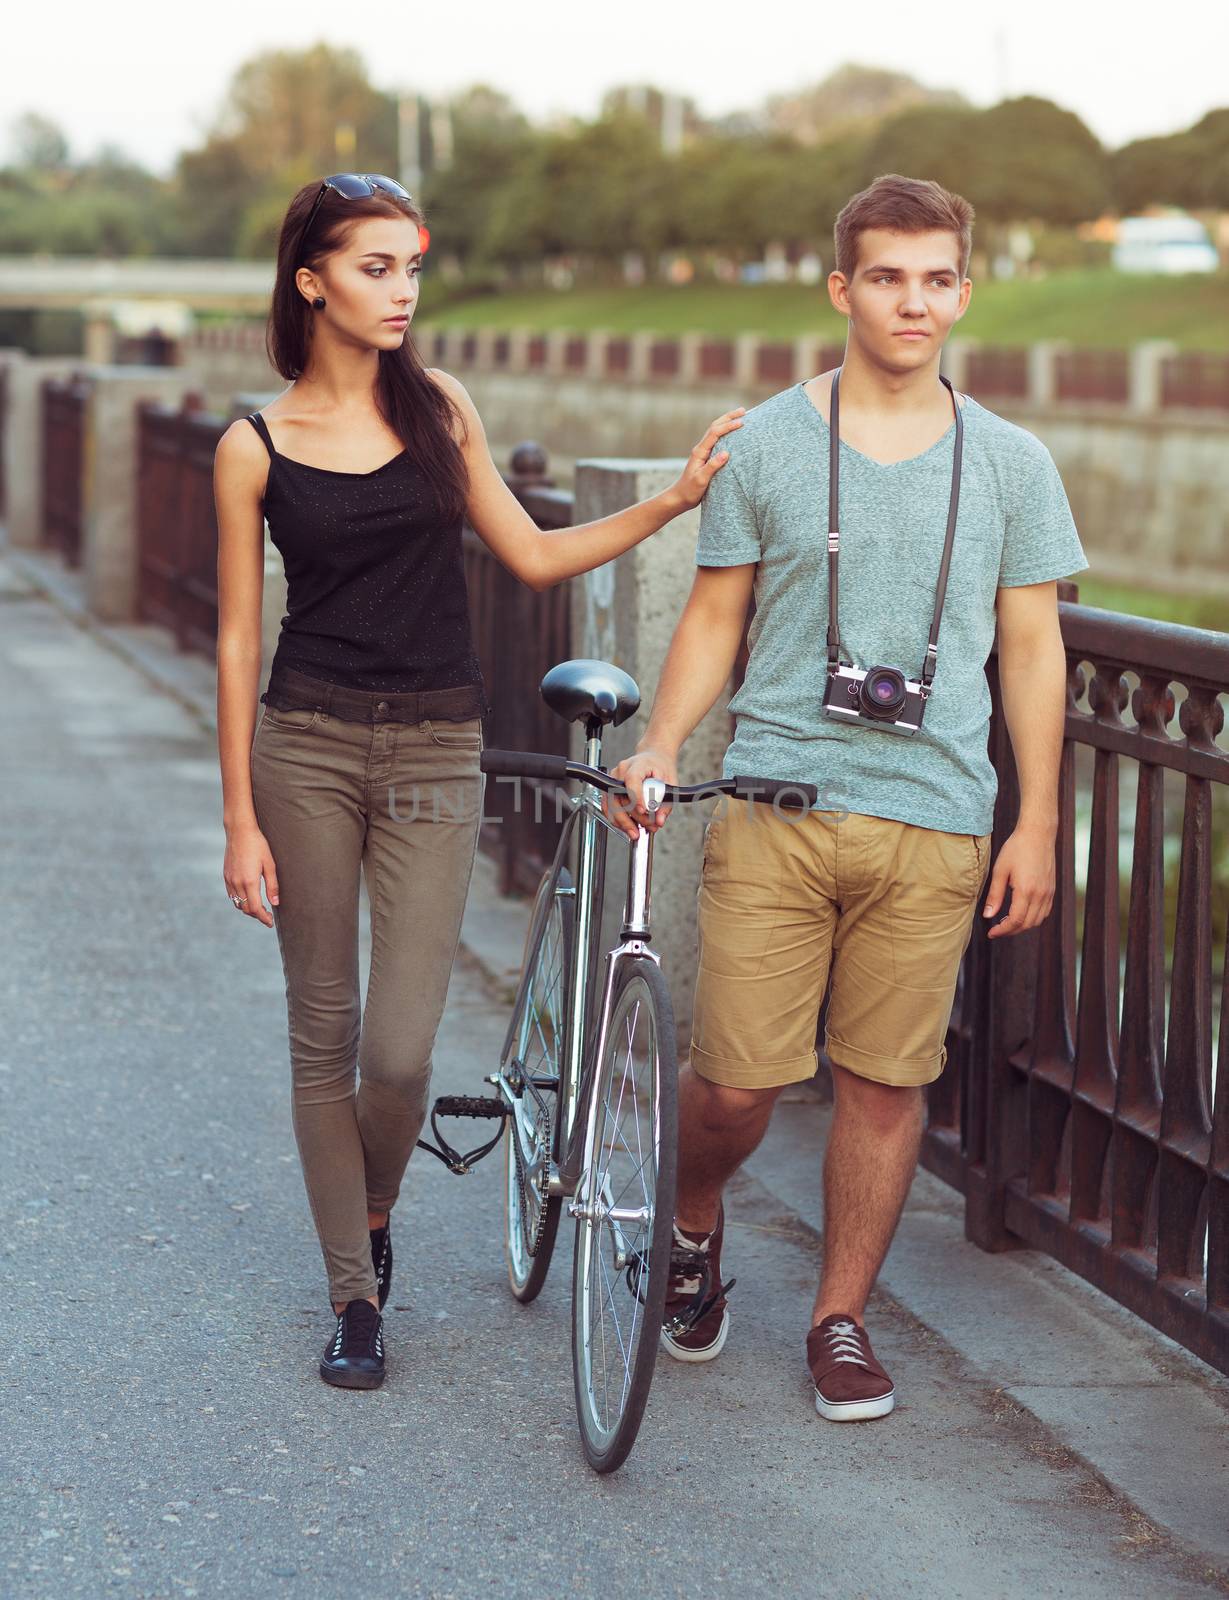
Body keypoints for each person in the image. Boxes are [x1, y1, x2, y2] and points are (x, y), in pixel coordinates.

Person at [212, 172, 743, 1390]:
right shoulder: (255, 446)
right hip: (305, 747)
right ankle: (353, 1294)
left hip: (436, 745)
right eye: (374, 267)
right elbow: (242, 640)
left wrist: (671, 498)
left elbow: (533, 551)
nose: (401, 291)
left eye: (411, 267)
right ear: (310, 281)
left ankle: (378, 1208)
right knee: (322, 1037)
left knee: (397, 1055)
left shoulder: (441, 407)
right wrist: (238, 814)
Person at [609, 173, 1088, 1421]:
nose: (910, 302)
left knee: (884, 1083)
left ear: (962, 293)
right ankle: (694, 1217)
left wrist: (1033, 822)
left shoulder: (1013, 463)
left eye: (935, 279)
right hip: (775, 801)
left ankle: (838, 1318)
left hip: (934, 815)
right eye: (885, 276)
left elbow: (1030, 648)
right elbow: (716, 610)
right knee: (734, 1085)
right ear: (841, 289)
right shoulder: (769, 438)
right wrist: (660, 740)